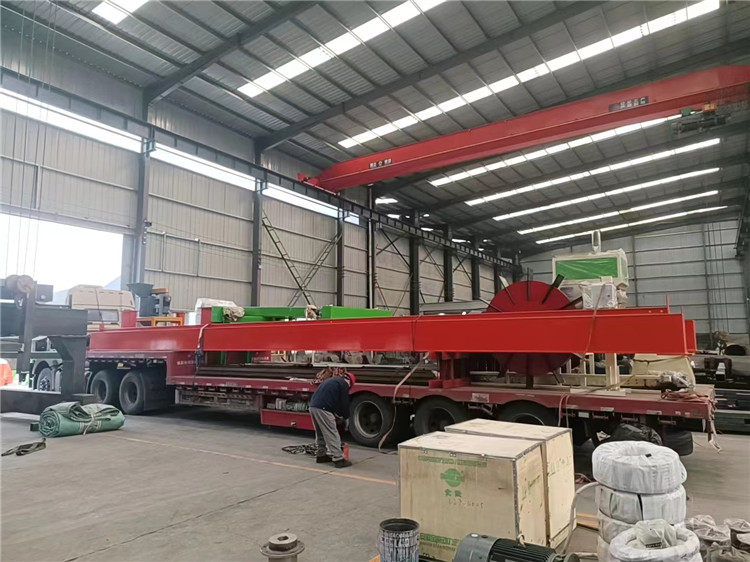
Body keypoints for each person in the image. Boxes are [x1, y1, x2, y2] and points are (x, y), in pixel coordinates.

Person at [309, 373, 356, 468]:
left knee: (320, 432)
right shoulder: (344, 384)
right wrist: (345, 417)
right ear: (350, 382)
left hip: (313, 406)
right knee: (332, 432)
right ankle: (338, 459)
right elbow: (344, 403)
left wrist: (337, 414)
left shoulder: (333, 380)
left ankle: (321, 455)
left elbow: (333, 400)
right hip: (323, 408)